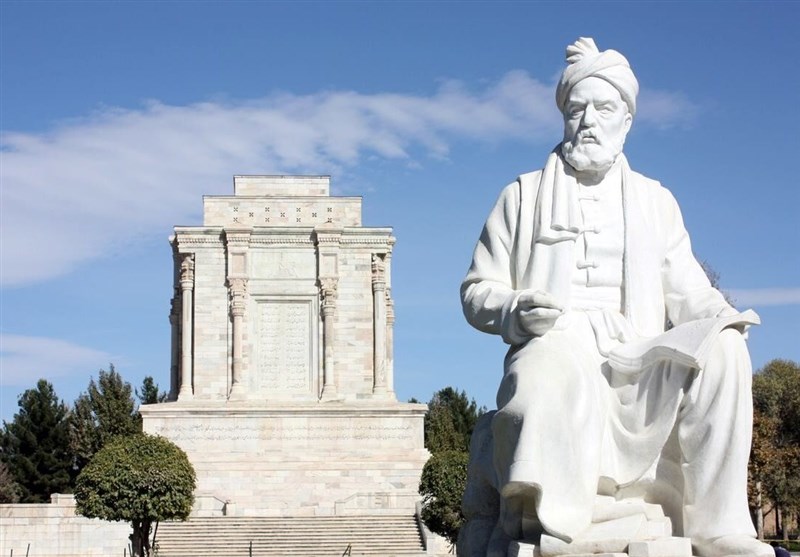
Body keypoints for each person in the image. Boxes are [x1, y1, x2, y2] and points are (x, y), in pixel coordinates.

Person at [461, 38, 772, 557]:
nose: (588, 121)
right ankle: (556, 523)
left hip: (637, 350)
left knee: (726, 350)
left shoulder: (655, 200)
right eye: (577, 109)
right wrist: (514, 309)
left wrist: (723, 318)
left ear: (626, 120)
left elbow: (688, 288)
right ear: (564, 117)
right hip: (558, 340)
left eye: (603, 109)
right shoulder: (522, 194)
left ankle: (718, 527)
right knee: (540, 376)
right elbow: (477, 290)